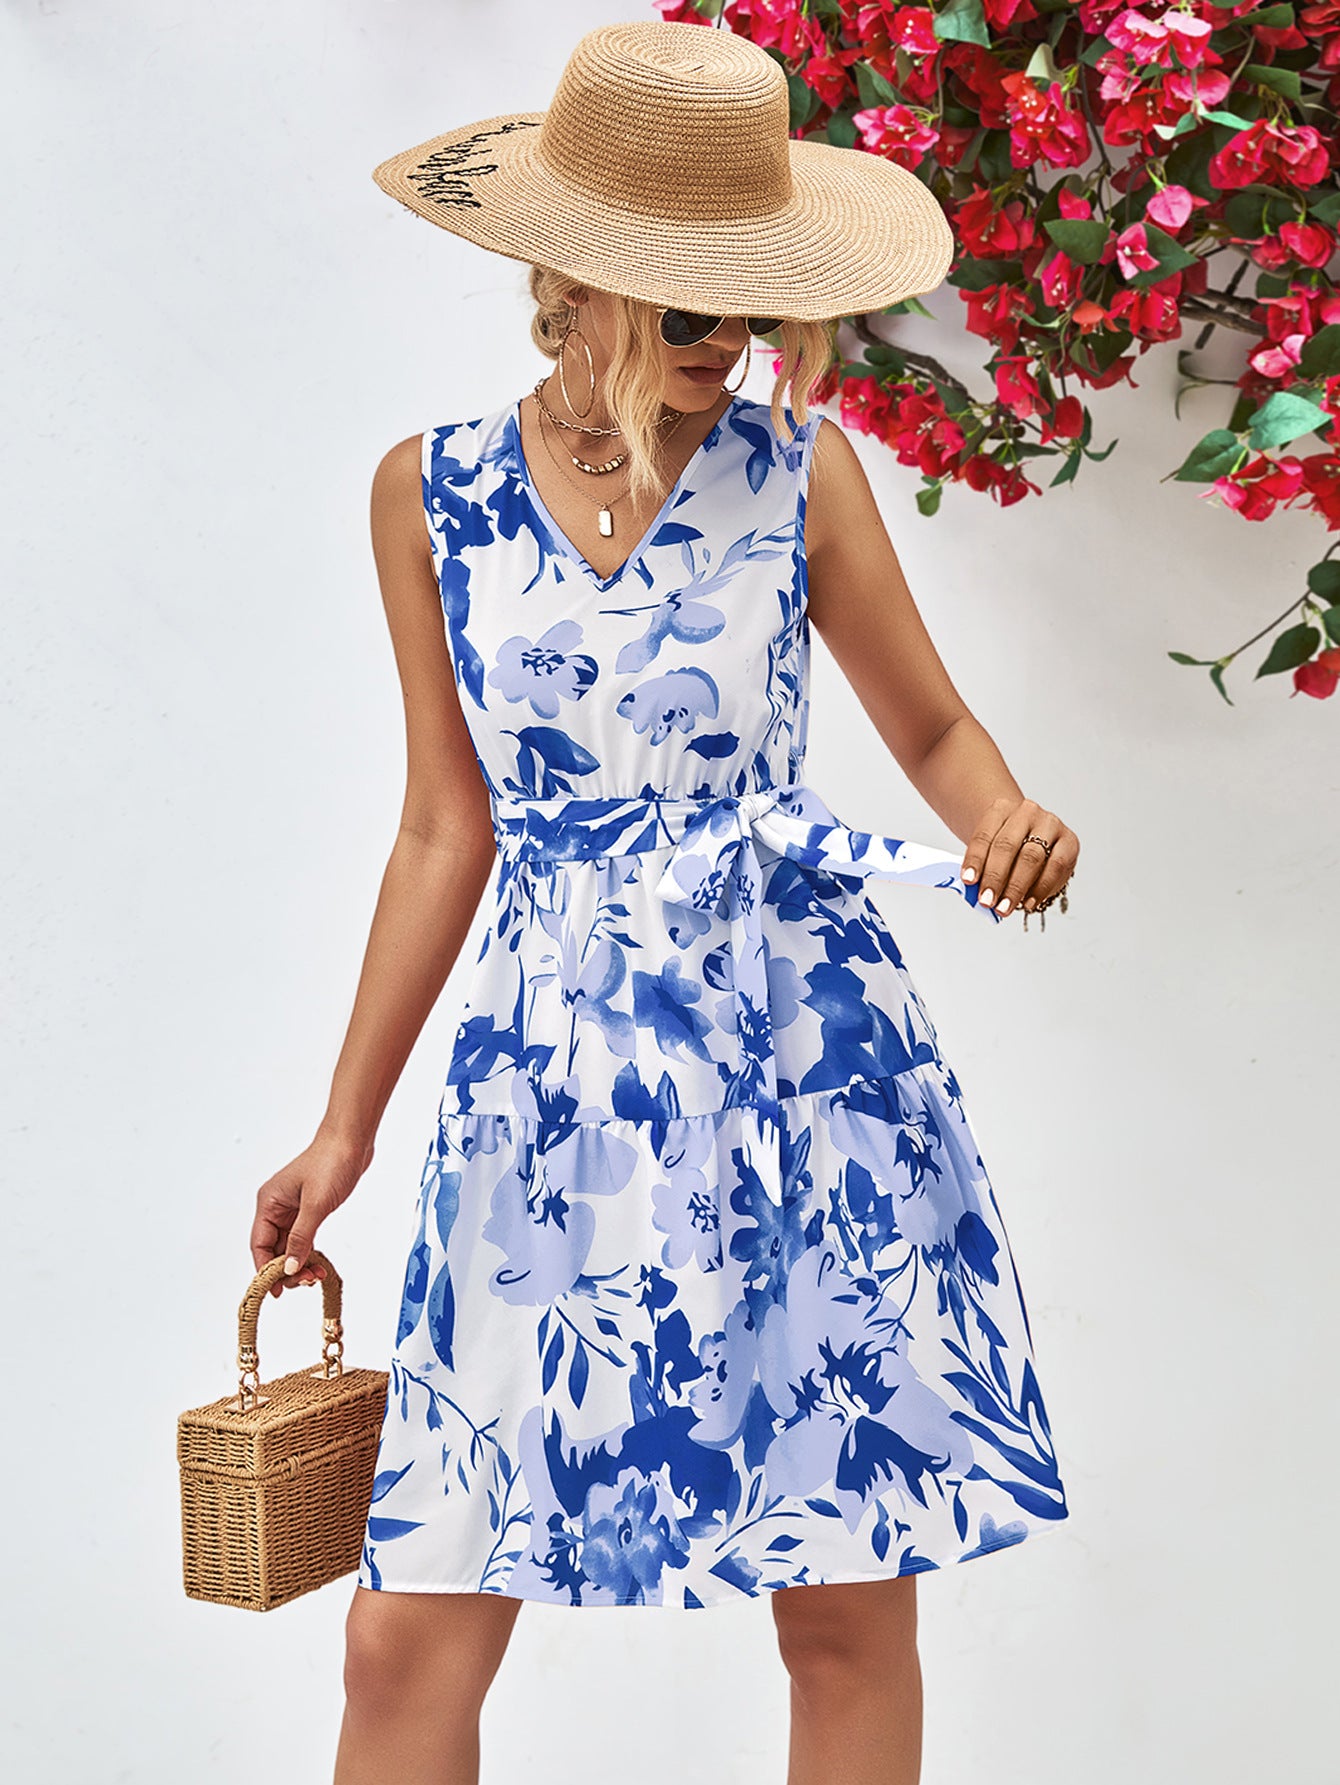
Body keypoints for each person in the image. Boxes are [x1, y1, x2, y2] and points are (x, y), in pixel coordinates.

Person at [249, 20, 1078, 1785]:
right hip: (549, 1089)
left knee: (844, 1604)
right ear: (578, 279)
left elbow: (934, 732)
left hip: (800, 1062)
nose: (733, 345)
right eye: (696, 305)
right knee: (405, 1632)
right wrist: (345, 1127)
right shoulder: (430, 494)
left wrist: (1006, 818)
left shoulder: (801, 473)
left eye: (758, 308)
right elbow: (443, 826)